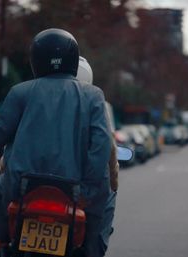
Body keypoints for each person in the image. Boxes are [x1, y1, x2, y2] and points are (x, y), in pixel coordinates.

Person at [0, 28, 112, 257]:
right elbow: (101, 148)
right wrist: (88, 191)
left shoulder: (20, 92)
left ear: (36, 60)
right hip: (75, 192)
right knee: (105, 202)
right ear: (73, 60)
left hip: (21, 189)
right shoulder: (93, 95)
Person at [76, 56, 119, 256]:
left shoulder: (38, 99)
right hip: (80, 192)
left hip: (33, 185)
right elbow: (107, 147)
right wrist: (114, 182)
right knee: (107, 197)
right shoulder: (94, 102)